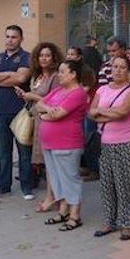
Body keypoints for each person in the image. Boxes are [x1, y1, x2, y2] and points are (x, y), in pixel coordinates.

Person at [91, 55, 130, 240]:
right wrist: (109, 114)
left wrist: (102, 113)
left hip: (125, 142)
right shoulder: (102, 89)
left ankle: (126, 223)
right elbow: (91, 112)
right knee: (106, 184)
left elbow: (123, 112)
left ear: (128, 70)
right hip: (104, 143)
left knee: (125, 185)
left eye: (122, 67)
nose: (118, 70)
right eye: (114, 67)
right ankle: (109, 221)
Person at [36, 59, 91, 231]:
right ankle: (63, 210)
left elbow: (58, 114)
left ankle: (75, 215)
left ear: (73, 74)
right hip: (50, 143)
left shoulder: (77, 93)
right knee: (56, 177)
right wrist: (46, 110)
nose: (59, 75)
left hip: (67, 143)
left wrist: (46, 114)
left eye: (62, 72)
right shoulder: (59, 90)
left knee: (70, 178)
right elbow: (38, 105)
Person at [0, 25, 32, 200]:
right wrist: (10, 74)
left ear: (21, 39)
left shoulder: (27, 57)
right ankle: (3, 187)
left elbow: (21, 78)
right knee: (3, 152)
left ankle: (27, 187)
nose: (10, 40)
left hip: (21, 112)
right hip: (0, 113)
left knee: (24, 152)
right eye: (8, 36)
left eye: (14, 37)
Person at [15, 42, 63, 210]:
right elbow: (36, 98)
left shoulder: (56, 77)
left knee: (52, 164)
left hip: (50, 123)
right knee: (47, 163)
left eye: (48, 55)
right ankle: (53, 196)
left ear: (54, 58)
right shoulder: (36, 76)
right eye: (41, 55)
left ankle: (54, 197)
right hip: (38, 122)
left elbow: (55, 102)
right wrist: (25, 96)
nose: (44, 58)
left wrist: (32, 96)